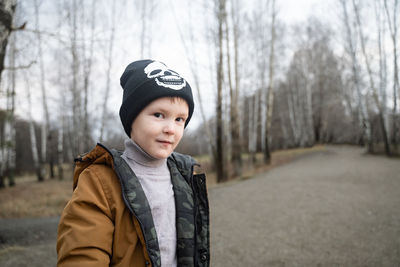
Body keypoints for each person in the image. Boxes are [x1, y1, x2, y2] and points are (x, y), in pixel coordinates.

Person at [57, 59, 210, 267]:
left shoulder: (184, 176)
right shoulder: (99, 183)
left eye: (179, 119)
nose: (171, 129)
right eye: (158, 115)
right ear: (132, 118)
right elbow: (82, 255)